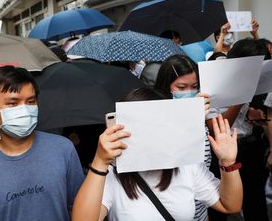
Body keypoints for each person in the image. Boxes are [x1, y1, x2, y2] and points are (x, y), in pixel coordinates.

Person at [71, 87, 242, 220]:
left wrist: (228, 163)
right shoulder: (112, 175)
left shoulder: (186, 165)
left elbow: (230, 206)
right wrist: (100, 162)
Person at [0, 66, 84, 220]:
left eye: (30, 101)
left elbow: (80, 207)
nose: (25, 110)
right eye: (13, 103)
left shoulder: (63, 149)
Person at [207, 38, 271, 221]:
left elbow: (240, 117)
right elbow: (216, 127)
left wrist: (251, 115)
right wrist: (241, 96)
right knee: (220, 205)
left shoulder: (248, 80)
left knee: (255, 201)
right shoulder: (214, 81)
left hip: (250, 147)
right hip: (223, 152)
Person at [154, 54, 211, 220]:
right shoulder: (156, 119)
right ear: (166, 87)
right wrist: (190, 120)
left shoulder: (200, 115)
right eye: (181, 87)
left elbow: (203, 168)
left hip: (200, 209)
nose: (190, 92)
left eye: (195, 86)